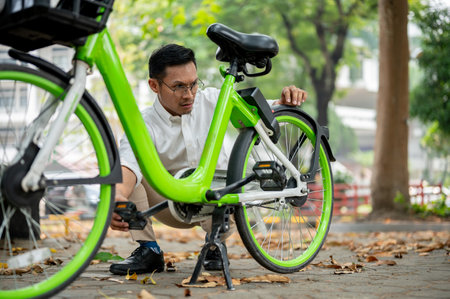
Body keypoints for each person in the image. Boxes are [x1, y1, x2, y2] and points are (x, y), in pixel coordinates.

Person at [109, 44, 308, 275]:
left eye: (194, 84)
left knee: (232, 181)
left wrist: (286, 99)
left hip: (220, 202)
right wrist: (118, 198)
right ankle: (149, 250)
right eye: (179, 87)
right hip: (171, 205)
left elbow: (261, 113)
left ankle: (215, 243)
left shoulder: (213, 99)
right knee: (132, 179)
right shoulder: (143, 123)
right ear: (154, 85)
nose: (189, 94)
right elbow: (127, 165)